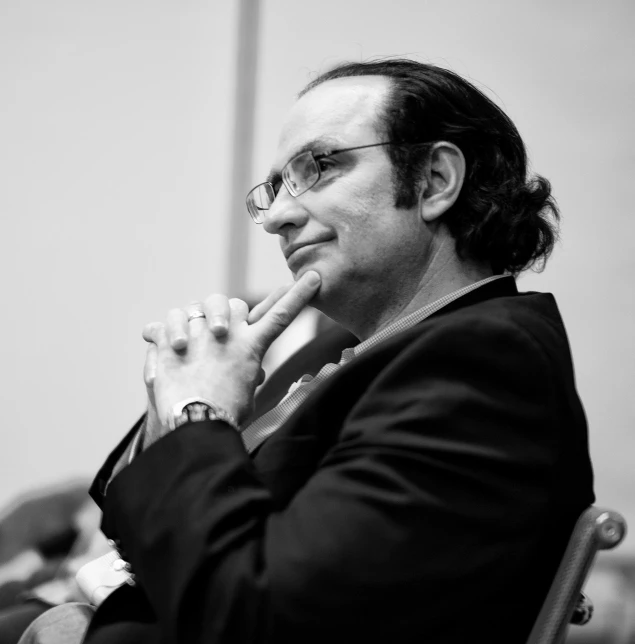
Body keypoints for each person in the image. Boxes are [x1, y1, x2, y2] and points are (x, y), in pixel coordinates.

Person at [25, 59, 596, 643]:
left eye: (318, 167)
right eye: (274, 187)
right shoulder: (334, 349)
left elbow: (269, 617)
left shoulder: (486, 364)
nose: (275, 217)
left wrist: (199, 414)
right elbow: (132, 525)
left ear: (434, 181)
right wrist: (170, 402)